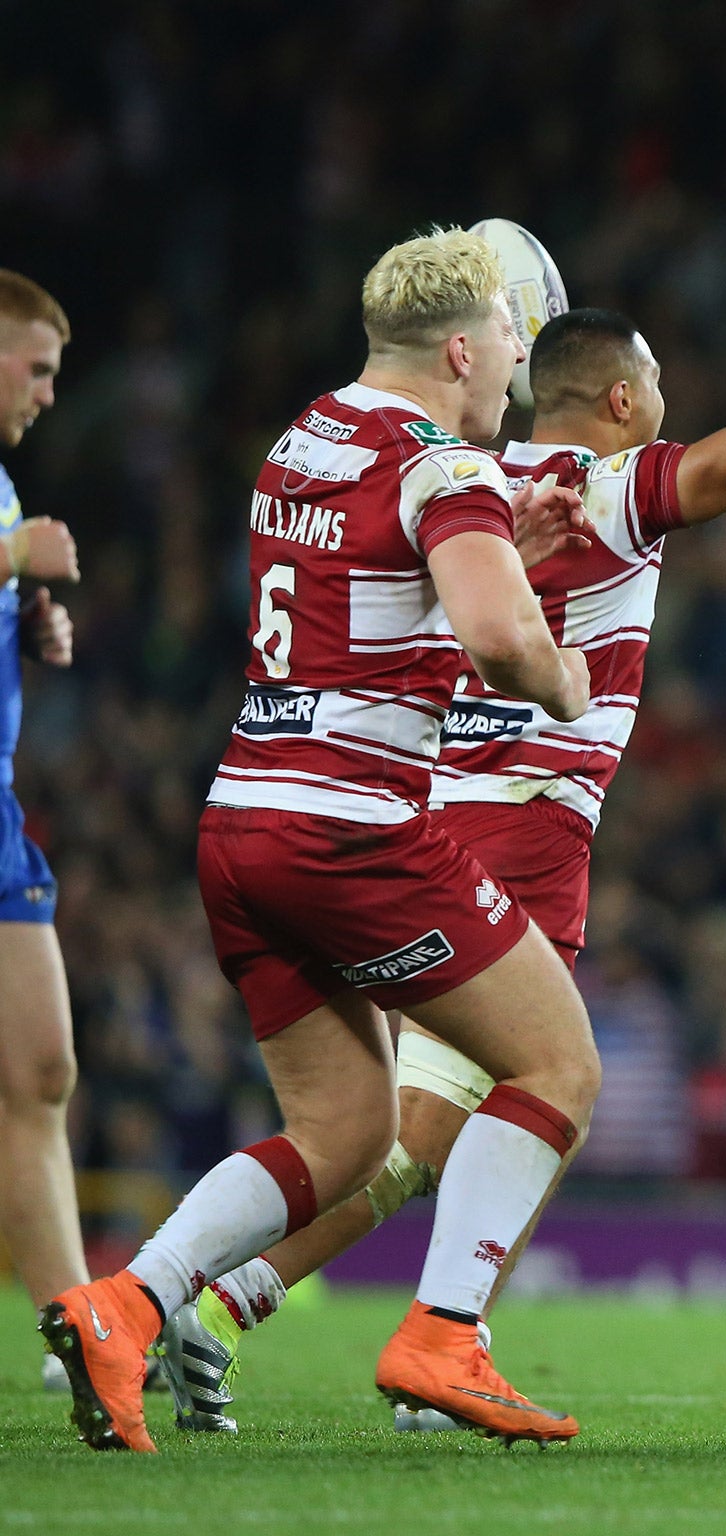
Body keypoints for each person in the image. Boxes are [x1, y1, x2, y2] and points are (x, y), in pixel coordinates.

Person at [161, 241, 726, 1433]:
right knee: (495, 1102)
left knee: (435, 1126)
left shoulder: (471, 470)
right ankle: (231, 1309)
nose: (670, 402)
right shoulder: (595, 488)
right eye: (660, 382)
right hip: (509, 825)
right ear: (622, 398)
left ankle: (303, 1321)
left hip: (416, 804)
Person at [38, 227, 599, 1453]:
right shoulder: (443, 467)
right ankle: (446, 1334)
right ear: (460, 347)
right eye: (509, 339)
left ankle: (126, 1306)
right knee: (558, 1069)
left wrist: (508, 536)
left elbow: (371, 602)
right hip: (356, 829)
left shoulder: (304, 436)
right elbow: (504, 643)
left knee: (344, 1133)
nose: (517, 363)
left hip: (244, 823)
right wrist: (565, 681)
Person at [0, 272, 85, 1389]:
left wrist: (24, 619)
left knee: (42, 1069)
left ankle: (82, 1342)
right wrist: (11, 565)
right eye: (37, 366)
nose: (50, 393)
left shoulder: (6, 488)